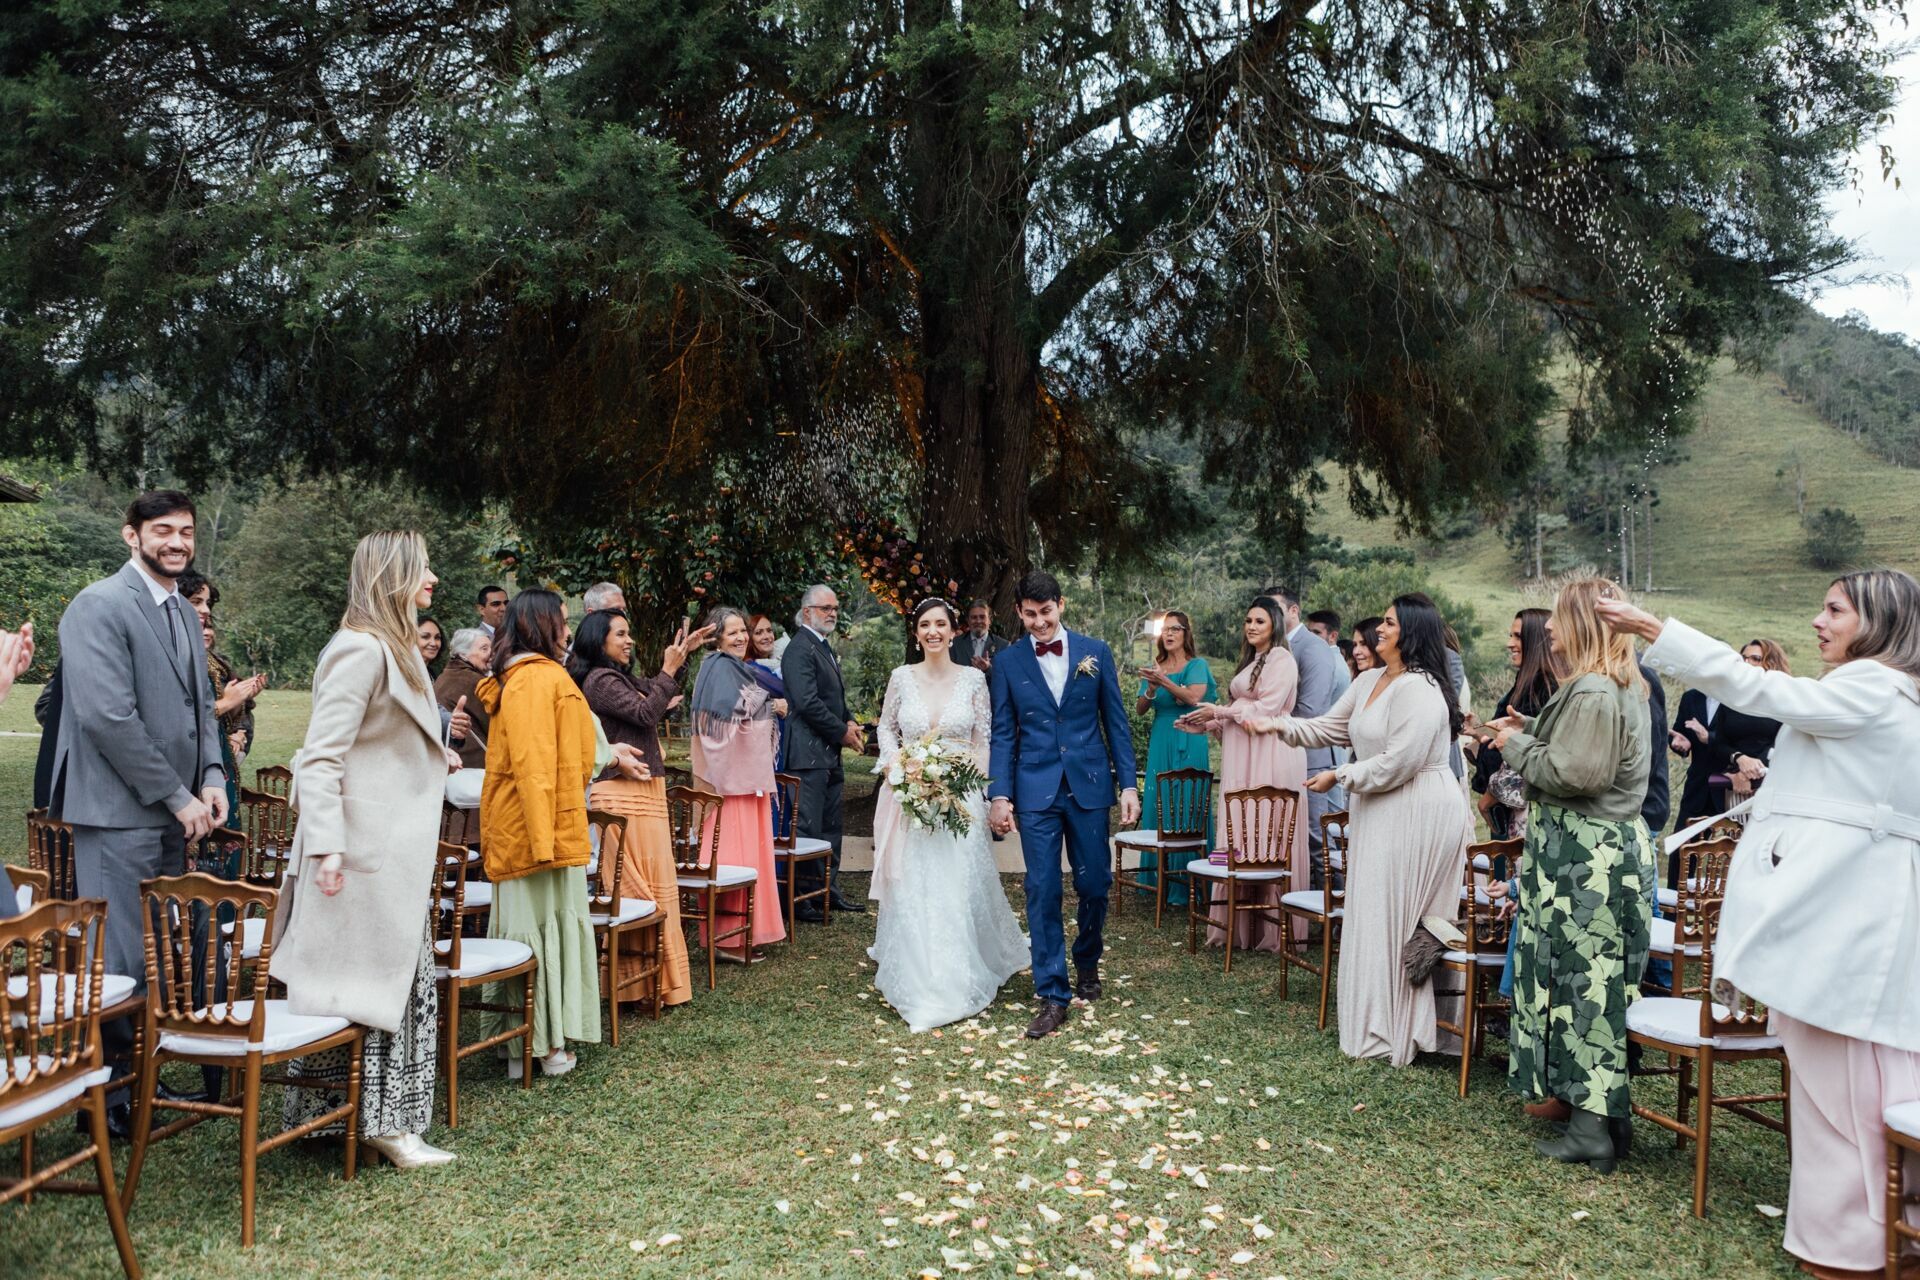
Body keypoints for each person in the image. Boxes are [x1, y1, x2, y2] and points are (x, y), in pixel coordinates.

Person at [1605, 572, 1920, 1277]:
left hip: (1845, 918)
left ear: (1880, 620)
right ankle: (1858, 1234)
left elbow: (1768, 692)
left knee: (1845, 1088)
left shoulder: (1872, 685)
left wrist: (1657, 630)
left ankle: (1852, 1244)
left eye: (1834, 610)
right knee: (1847, 1077)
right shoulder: (1894, 698)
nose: (1817, 620)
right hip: (1856, 915)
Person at [272, 531, 462, 1169]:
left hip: (388, 853)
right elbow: (320, 758)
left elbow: (383, 744)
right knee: (372, 988)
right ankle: (386, 1128)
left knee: (378, 984)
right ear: (394, 576)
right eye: (423, 567)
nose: (433, 576)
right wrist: (326, 847)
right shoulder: (359, 648)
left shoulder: (397, 647)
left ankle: (336, 1120)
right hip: (358, 856)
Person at [53, 490, 226, 1131]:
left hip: (175, 813)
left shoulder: (182, 609)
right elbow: (107, 718)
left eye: (185, 531)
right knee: (120, 959)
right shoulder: (96, 605)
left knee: (166, 953)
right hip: (116, 813)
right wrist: (176, 795)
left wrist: (210, 775)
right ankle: (109, 1106)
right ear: (132, 536)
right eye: (162, 531)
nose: (177, 542)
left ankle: (156, 1072)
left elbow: (200, 706)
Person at [1250, 593, 1469, 1065]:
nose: (1380, 630)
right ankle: (1379, 1020)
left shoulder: (1421, 688)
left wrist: (1340, 776)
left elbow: (1398, 762)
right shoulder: (1370, 678)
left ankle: (1410, 1029)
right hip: (1380, 807)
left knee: (1400, 914)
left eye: (1389, 623)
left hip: (1419, 808)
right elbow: (1328, 727)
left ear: (1411, 630)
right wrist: (1271, 724)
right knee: (1373, 910)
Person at [1488, 577, 1652, 1172]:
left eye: (1558, 618)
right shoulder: (1618, 685)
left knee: (1585, 988)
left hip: (1585, 865)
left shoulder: (1593, 691)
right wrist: (1529, 731)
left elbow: (1576, 773)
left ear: (1584, 622)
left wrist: (1512, 744)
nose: (1549, 629)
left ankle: (1590, 1131)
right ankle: (1604, 1120)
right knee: (1596, 986)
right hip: (1596, 857)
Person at [987, 570, 1139, 1039]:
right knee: (1042, 887)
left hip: (1090, 785)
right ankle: (1053, 992)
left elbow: (1115, 723)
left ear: (1062, 605)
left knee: (1096, 883)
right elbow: (1004, 732)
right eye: (1029, 614)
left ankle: (1087, 959)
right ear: (1018, 612)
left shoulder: (1096, 652)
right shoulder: (1008, 662)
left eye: (1046, 612)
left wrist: (1129, 785)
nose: (1038, 623)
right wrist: (999, 793)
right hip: (1035, 790)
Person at [871, 598, 1029, 1031]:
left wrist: (966, 782)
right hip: (913, 795)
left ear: (954, 631)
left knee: (957, 884)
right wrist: (896, 766)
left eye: (941, 624)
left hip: (960, 796)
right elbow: (886, 727)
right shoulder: (900, 678)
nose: (933, 631)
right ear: (916, 633)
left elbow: (984, 737)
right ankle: (921, 976)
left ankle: (959, 973)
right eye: (925, 624)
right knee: (917, 883)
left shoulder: (974, 680)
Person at [476, 590, 603, 1075]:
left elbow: (574, 746)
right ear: (540, 626)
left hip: (550, 823)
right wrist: (543, 838)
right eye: (562, 621)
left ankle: (537, 1042)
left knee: (547, 930)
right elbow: (532, 764)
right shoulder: (531, 679)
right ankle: (534, 1047)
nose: (568, 631)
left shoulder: (534, 676)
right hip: (536, 831)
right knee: (534, 934)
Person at [570, 609, 711, 1009]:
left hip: (644, 793)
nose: (629, 640)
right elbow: (647, 712)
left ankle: (652, 984)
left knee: (655, 887)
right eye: (621, 634)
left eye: (630, 633)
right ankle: (633, 986)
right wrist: (668, 669)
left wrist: (679, 662)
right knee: (636, 891)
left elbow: (653, 690)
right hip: (619, 793)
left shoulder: (619, 677)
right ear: (599, 641)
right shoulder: (598, 681)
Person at [1177, 598, 1308, 952]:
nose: (1251, 627)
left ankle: (1273, 929)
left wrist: (1218, 711)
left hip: (1270, 752)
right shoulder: (1253, 659)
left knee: (1264, 825)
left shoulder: (1282, 659)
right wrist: (1205, 724)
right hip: (1244, 750)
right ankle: (1239, 924)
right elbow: (1239, 711)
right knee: (1242, 826)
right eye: (1248, 620)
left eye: (1259, 621)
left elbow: (1265, 709)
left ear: (1275, 626)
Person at [690, 608, 787, 956]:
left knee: (748, 856)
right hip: (732, 783)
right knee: (735, 856)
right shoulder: (719, 667)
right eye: (732, 632)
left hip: (743, 780)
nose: (741, 637)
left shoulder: (729, 667)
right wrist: (772, 706)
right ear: (716, 636)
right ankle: (729, 939)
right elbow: (724, 719)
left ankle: (745, 932)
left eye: (741, 631)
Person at [782, 584, 866, 914]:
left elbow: (834, 699)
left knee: (831, 827)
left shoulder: (823, 646)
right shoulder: (799, 649)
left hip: (827, 752)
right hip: (806, 754)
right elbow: (806, 703)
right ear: (807, 612)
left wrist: (850, 721)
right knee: (807, 828)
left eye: (834, 608)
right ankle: (802, 901)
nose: (832, 613)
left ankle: (828, 891)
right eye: (824, 608)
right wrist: (841, 731)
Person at [1133, 609, 1216, 907]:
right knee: (1160, 800)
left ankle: (1190, 883)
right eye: (1164, 630)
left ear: (1185, 634)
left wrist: (1164, 681)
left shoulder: (1197, 665)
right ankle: (1157, 880)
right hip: (1161, 737)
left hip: (1190, 736)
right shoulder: (1157, 667)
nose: (1167, 634)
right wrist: (1152, 687)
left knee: (1188, 803)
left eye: (1174, 629)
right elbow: (1141, 708)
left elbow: (1193, 698)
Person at [1268, 587, 1344, 883]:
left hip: (1308, 754)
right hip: (1276, 751)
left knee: (1316, 838)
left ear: (1293, 610)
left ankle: (1335, 912)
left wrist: (1267, 720)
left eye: (1276, 609)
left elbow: (1311, 708)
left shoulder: (1312, 647)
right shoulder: (1273, 646)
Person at [1472, 609, 1560, 841]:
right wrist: (1479, 733)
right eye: (1510, 635)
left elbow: (1527, 752)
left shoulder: (1542, 687)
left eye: (1517, 636)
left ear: (1537, 640)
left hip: (1520, 813)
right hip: (1506, 808)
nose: (1509, 643)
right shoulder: (1526, 681)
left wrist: (1488, 798)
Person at [1705, 639, 1788, 804]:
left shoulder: (1783, 699)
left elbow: (1784, 742)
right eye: (1744, 658)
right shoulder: (1731, 699)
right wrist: (1739, 759)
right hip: (1732, 783)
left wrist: (1748, 772)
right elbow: (1719, 742)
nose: (1747, 662)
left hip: (1773, 784)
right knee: (1734, 830)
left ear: (1771, 663)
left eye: (1755, 659)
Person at [435, 627, 493, 770]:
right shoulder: (476, 682)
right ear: (463, 654)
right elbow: (495, 726)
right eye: (484, 649)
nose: (491, 653)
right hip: (474, 765)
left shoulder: (445, 675)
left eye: (491, 648)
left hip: (451, 761)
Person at [747, 613, 793, 776]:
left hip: (781, 742)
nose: (767, 636)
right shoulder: (751, 668)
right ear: (749, 638)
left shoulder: (773, 666)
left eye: (769, 631)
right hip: (765, 744)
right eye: (759, 633)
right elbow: (787, 690)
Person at [952, 599, 1010, 670]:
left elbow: (1007, 678)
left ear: (990, 620)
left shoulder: (1003, 646)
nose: (978, 621)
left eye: (982, 617)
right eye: (974, 617)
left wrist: (988, 669)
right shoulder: (956, 643)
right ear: (968, 620)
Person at [1307, 609, 1352, 700]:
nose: (1309, 637)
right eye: (1308, 632)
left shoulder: (1329, 665)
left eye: (1316, 632)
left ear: (1333, 636)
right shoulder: (1328, 660)